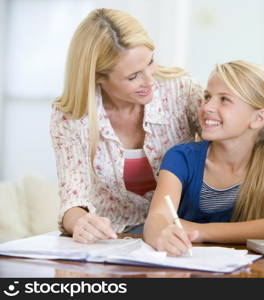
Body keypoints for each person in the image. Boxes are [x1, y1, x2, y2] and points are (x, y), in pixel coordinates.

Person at [50, 8, 203, 243]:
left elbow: (230, 145)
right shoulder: (71, 116)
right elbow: (73, 200)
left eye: (150, 62)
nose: (150, 81)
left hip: (183, 231)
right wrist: (80, 222)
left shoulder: (182, 91)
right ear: (98, 77)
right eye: (133, 77)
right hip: (114, 239)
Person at [144, 60, 264, 256]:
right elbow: (157, 218)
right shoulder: (181, 157)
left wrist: (201, 231)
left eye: (224, 99)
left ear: (258, 118)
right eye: (207, 97)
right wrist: (160, 234)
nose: (207, 106)